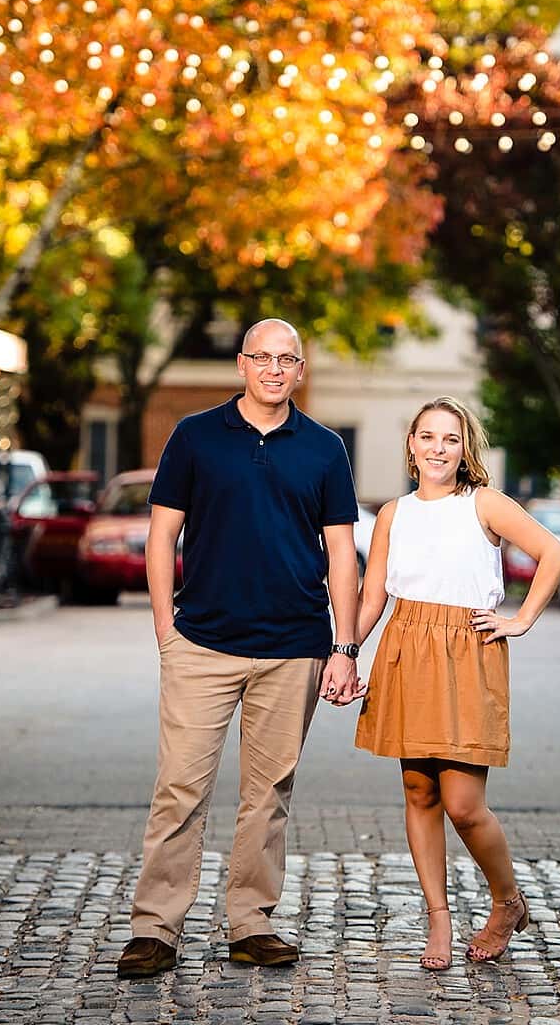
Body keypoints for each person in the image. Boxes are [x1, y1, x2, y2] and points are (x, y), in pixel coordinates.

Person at [114, 319, 363, 982]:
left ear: (300, 370)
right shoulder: (195, 436)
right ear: (241, 364)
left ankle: (251, 923)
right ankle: (155, 929)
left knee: (269, 792)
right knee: (179, 788)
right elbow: (162, 534)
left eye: (287, 359)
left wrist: (345, 646)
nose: (274, 369)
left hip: (295, 647)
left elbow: (342, 551)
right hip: (202, 644)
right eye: (262, 357)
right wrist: (166, 629)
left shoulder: (325, 449)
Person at [350, 399, 560, 970]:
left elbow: (554, 553)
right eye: (428, 437)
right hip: (406, 645)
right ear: (412, 446)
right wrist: (344, 652)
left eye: (450, 438)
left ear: (464, 448)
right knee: (420, 792)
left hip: (468, 651)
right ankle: (439, 923)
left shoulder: (485, 505)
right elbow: (374, 597)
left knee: (465, 805)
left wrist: (521, 619)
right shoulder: (394, 514)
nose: (438, 448)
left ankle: (506, 901)